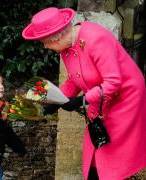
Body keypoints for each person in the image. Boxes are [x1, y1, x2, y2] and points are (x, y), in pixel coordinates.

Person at [22, 7, 146, 180]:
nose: (45, 46)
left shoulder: (96, 39)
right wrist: (57, 100)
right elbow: (74, 79)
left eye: (45, 42)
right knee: (96, 146)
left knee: (111, 152)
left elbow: (113, 82)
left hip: (125, 97)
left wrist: (82, 100)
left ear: (58, 36)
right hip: (102, 94)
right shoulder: (66, 46)